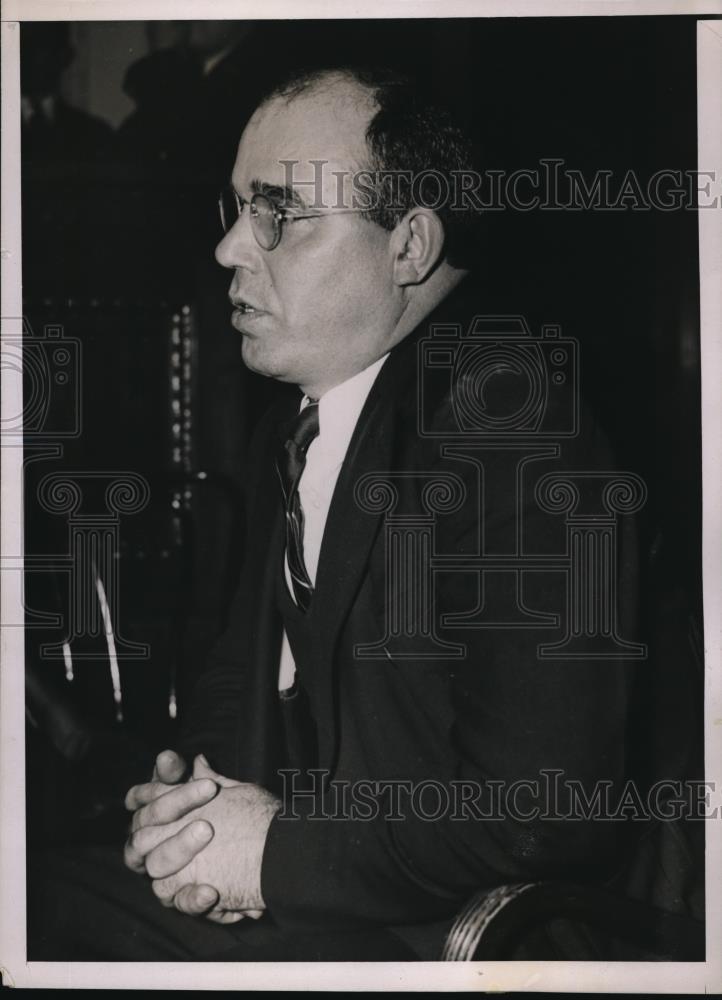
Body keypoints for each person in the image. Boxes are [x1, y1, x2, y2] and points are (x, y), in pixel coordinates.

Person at [29, 66, 657, 962]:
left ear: (408, 247)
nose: (230, 250)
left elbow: (542, 810)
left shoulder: (512, 424)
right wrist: (193, 808)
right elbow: (240, 678)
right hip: (333, 905)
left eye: (280, 215)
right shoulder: (298, 425)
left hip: (457, 942)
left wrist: (272, 855)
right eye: (237, 209)